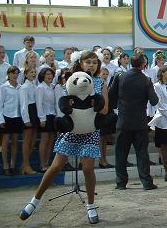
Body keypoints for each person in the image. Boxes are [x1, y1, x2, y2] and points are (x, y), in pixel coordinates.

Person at [19, 50, 107, 224]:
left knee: (88, 168)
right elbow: (64, 104)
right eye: (88, 62)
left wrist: (94, 104)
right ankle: (34, 201)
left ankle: (90, 205)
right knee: (56, 166)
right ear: (80, 63)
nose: (91, 65)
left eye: (95, 62)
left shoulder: (100, 83)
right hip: (71, 129)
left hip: (90, 131)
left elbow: (104, 110)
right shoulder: (71, 80)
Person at [109, 53, 159, 190]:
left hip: (123, 120)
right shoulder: (146, 80)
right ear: (143, 64)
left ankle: (120, 183)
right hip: (140, 122)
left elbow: (111, 95)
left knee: (120, 153)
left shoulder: (120, 76)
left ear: (131, 63)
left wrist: (118, 106)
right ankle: (147, 183)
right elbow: (154, 101)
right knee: (142, 153)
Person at [0, 66, 22, 175]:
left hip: (17, 116)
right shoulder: (4, 87)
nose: (15, 75)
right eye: (13, 73)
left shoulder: (20, 87)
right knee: (5, 142)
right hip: (7, 116)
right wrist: (1, 119)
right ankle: (5, 165)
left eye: (17, 73)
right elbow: (0, 105)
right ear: (8, 74)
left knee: (15, 142)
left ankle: (12, 164)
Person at [36, 68, 57, 172]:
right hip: (44, 116)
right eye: (47, 74)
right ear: (43, 76)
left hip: (53, 115)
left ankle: (47, 162)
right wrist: (42, 118)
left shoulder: (53, 87)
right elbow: (39, 104)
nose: (49, 76)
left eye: (51, 74)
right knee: (44, 140)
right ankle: (42, 164)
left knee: (51, 140)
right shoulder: (40, 88)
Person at [20, 67, 38, 174]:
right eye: (31, 72)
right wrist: (26, 119)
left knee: (33, 140)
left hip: (35, 111)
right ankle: (26, 165)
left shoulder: (34, 86)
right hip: (29, 111)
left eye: (35, 72)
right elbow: (23, 105)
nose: (34, 73)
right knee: (27, 140)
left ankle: (24, 165)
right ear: (26, 74)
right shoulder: (24, 87)